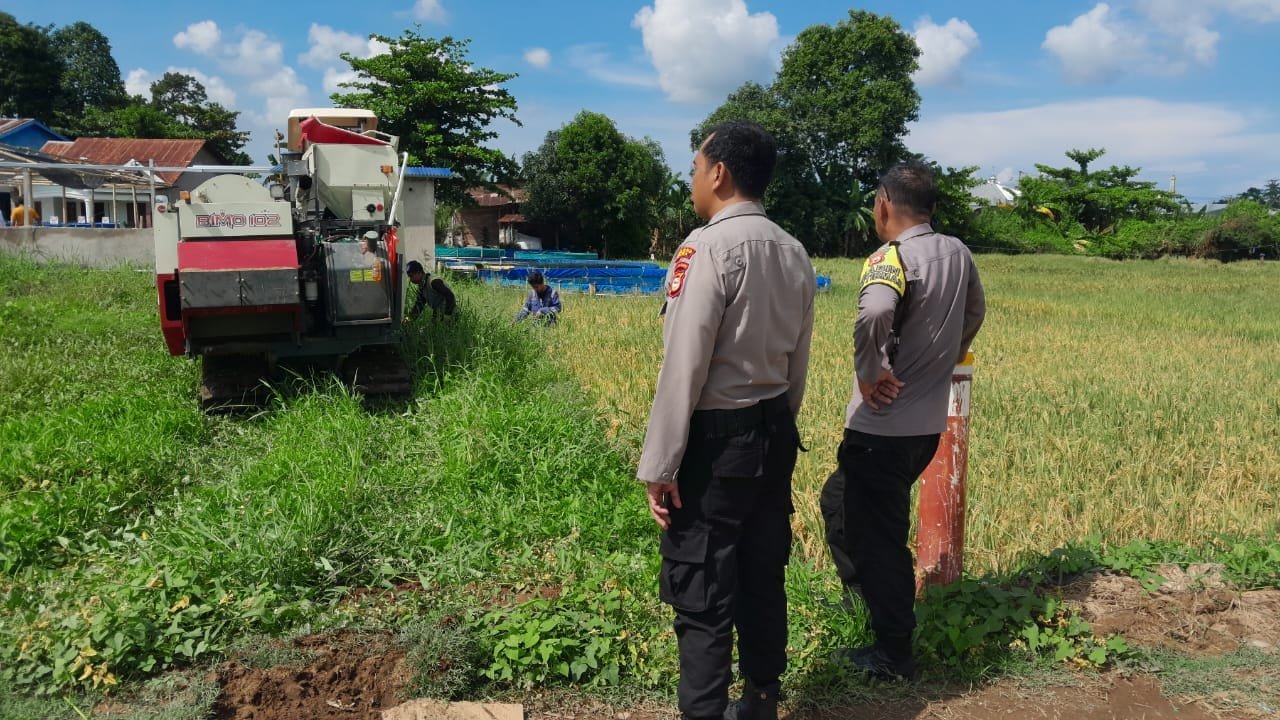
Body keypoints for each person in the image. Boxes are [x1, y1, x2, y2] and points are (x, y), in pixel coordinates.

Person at [638, 120, 815, 720]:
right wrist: (778, 429)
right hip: (774, 430)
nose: (692, 180)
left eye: (694, 167)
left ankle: (704, 712)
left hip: (717, 443)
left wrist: (660, 464)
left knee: (703, 590)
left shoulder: (705, 248)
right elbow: (799, 360)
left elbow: (683, 365)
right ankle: (762, 700)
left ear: (719, 172)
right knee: (763, 573)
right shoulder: (793, 250)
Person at [830, 162, 986, 681]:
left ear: (882, 205)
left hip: (881, 427)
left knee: (879, 538)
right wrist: (947, 358)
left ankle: (894, 651)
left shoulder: (890, 256)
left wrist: (871, 372)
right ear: (932, 208)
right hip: (924, 427)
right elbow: (975, 311)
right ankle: (865, 602)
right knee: (839, 502)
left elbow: (874, 313)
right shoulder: (957, 252)